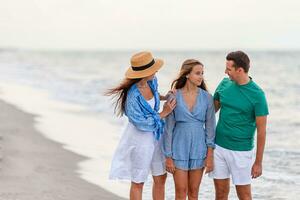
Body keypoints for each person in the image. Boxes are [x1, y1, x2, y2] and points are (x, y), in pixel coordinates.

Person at [107, 51, 176, 200]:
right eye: (153, 70)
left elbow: (154, 96)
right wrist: (164, 112)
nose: (156, 71)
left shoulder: (152, 81)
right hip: (140, 139)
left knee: (160, 176)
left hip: (156, 135)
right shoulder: (132, 96)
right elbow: (141, 123)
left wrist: (166, 96)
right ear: (145, 73)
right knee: (138, 181)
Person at [209, 51, 269, 200]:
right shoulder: (224, 84)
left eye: (229, 69)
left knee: (244, 196)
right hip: (219, 147)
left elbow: (262, 132)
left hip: (241, 152)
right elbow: (210, 113)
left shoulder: (257, 95)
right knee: (221, 194)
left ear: (240, 70)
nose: (225, 72)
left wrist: (258, 162)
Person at [162, 59, 216, 200]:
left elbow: (211, 127)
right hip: (178, 148)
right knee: (180, 191)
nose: (201, 77)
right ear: (187, 74)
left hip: (199, 148)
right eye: (197, 73)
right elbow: (168, 128)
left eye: (202, 73)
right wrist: (168, 156)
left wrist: (210, 155)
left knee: (193, 193)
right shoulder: (174, 96)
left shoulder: (207, 98)